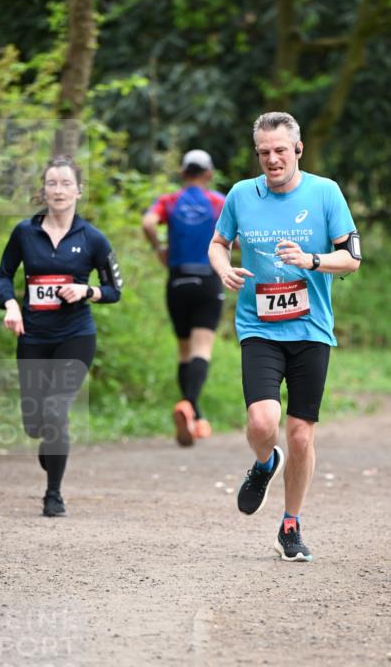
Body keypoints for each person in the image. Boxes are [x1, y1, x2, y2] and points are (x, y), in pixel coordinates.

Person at [208, 112, 361, 561]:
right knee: (262, 423)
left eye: (280, 151)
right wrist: (223, 269)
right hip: (259, 326)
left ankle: (290, 524)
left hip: (311, 328)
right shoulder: (241, 194)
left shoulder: (325, 192)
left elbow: (351, 258)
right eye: (264, 152)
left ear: (298, 150)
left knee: (300, 436)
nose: (272, 159)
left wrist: (311, 260)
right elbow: (218, 244)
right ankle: (264, 463)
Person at [0, 155, 122, 517]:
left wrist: (87, 291)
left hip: (76, 336)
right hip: (33, 337)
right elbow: (3, 275)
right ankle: (50, 443)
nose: (59, 190)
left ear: (79, 191)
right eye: (52, 183)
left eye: (66, 183)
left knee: (56, 410)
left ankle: (53, 494)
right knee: (35, 423)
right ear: (43, 190)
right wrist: (10, 304)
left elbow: (114, 289)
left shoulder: (93, 238)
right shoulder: (24, 232)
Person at [142, 149, 225, 446]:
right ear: (209, 173)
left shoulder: (169, 201)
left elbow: (148, 223)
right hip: (207, 280)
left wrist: (159, 249)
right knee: (202, 349)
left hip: (177, 281)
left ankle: (195, 415)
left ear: (182, 173)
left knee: (184, 351)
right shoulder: (218, 202)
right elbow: (238, 236)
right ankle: (189, 404)